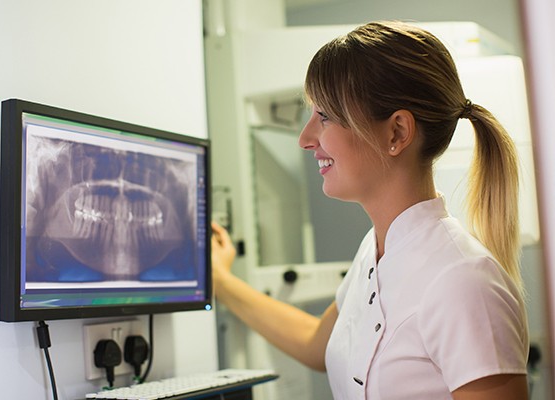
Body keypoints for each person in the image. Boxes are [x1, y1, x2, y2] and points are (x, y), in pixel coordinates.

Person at [211, 20, 529, 399]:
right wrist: (222, 281)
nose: (305, 138)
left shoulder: (464, 281)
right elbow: (317, 344)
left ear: (396, 133)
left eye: (324, 116)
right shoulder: (375, 252)